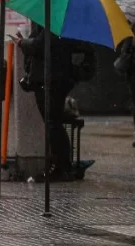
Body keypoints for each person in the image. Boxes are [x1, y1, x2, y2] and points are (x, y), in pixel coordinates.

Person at [14, 21, 86, 180]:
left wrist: (22, 42)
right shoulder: (56, 23)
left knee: (53, 123)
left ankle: (61, 167)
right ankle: (61, 165)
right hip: (53, 78)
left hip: (52, 79)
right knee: (53, 123)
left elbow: (40, 45)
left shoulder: (54, 23)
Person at [113, 31, 135, 147]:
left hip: (133, 74)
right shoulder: (130, 35)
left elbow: (124, 52)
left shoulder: (130, 34)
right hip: (133, 75)